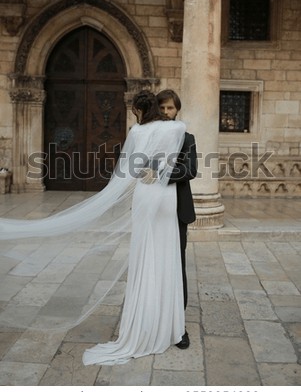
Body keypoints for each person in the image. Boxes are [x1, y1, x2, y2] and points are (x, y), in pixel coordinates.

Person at [0, 90, 187, 366]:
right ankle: (169, 325)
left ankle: (145, 323)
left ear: (138, 110)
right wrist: (160, 171)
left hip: (146, 194)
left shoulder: (137, 131)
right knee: (167, 256)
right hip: (166, 197)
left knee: (146, 257)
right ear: (159, 108)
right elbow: (172, 161)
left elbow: (131, 170)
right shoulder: (178, 128)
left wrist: (145, 172)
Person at [156, 89, 197, 350]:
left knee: (176, 264)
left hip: (177, 209)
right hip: (153, 209)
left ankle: (178, 326)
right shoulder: (149, 135)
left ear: (177, 110)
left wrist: (160, 174)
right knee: (154, 265)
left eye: (170, 108)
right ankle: (153, 317)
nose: (166, 113)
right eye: (162, 108)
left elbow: (191, 169)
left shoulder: (187, 137)